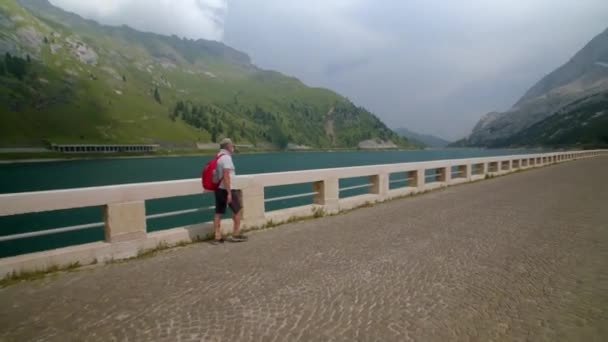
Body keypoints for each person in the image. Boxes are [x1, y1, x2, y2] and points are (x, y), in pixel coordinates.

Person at [212, 138, 247, 244]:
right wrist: (229, 193)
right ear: (228, 146)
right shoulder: (226, 158)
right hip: (228, 189)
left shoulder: (218, 156)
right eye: (232, 145)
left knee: (218, 212)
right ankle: (235, 234)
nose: (233, 147)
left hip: (218, 189)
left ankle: (217, 236)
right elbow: (226, 175)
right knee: (237, 211)